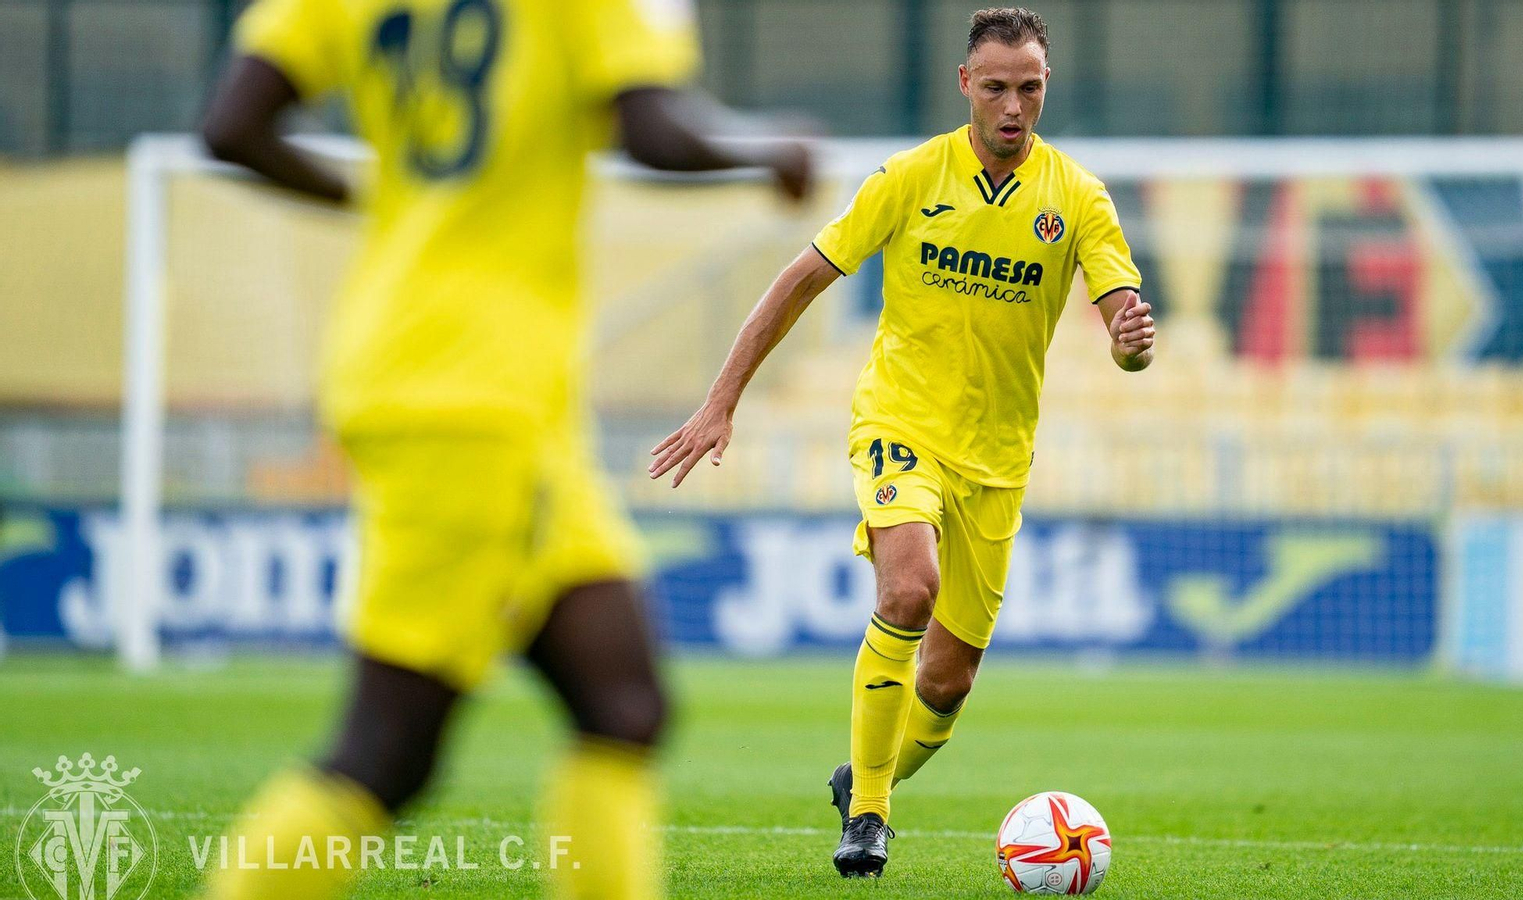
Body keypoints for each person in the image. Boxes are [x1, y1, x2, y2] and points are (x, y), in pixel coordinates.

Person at [196, 0, 812, 896]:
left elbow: (231, 124)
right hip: (474, 393)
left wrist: (387, 203)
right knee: (385, 751)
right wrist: (771, 147)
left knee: (624, 706)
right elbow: (655, 131)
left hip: (447, 374)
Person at [648, 6, 1153, 878]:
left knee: (947, 686)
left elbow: (1122, 322)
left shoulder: (1078, 197)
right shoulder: (911, 177)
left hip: (997, 459)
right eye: (995, 88)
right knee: (909, 590)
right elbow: (800, 280)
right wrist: (721, 403)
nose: (1013, 107)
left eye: (1029, 89)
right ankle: (871, 817)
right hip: (900, 424)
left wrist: (1131, 343)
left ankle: (865, 774)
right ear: (965, 83)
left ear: (1045, 88)